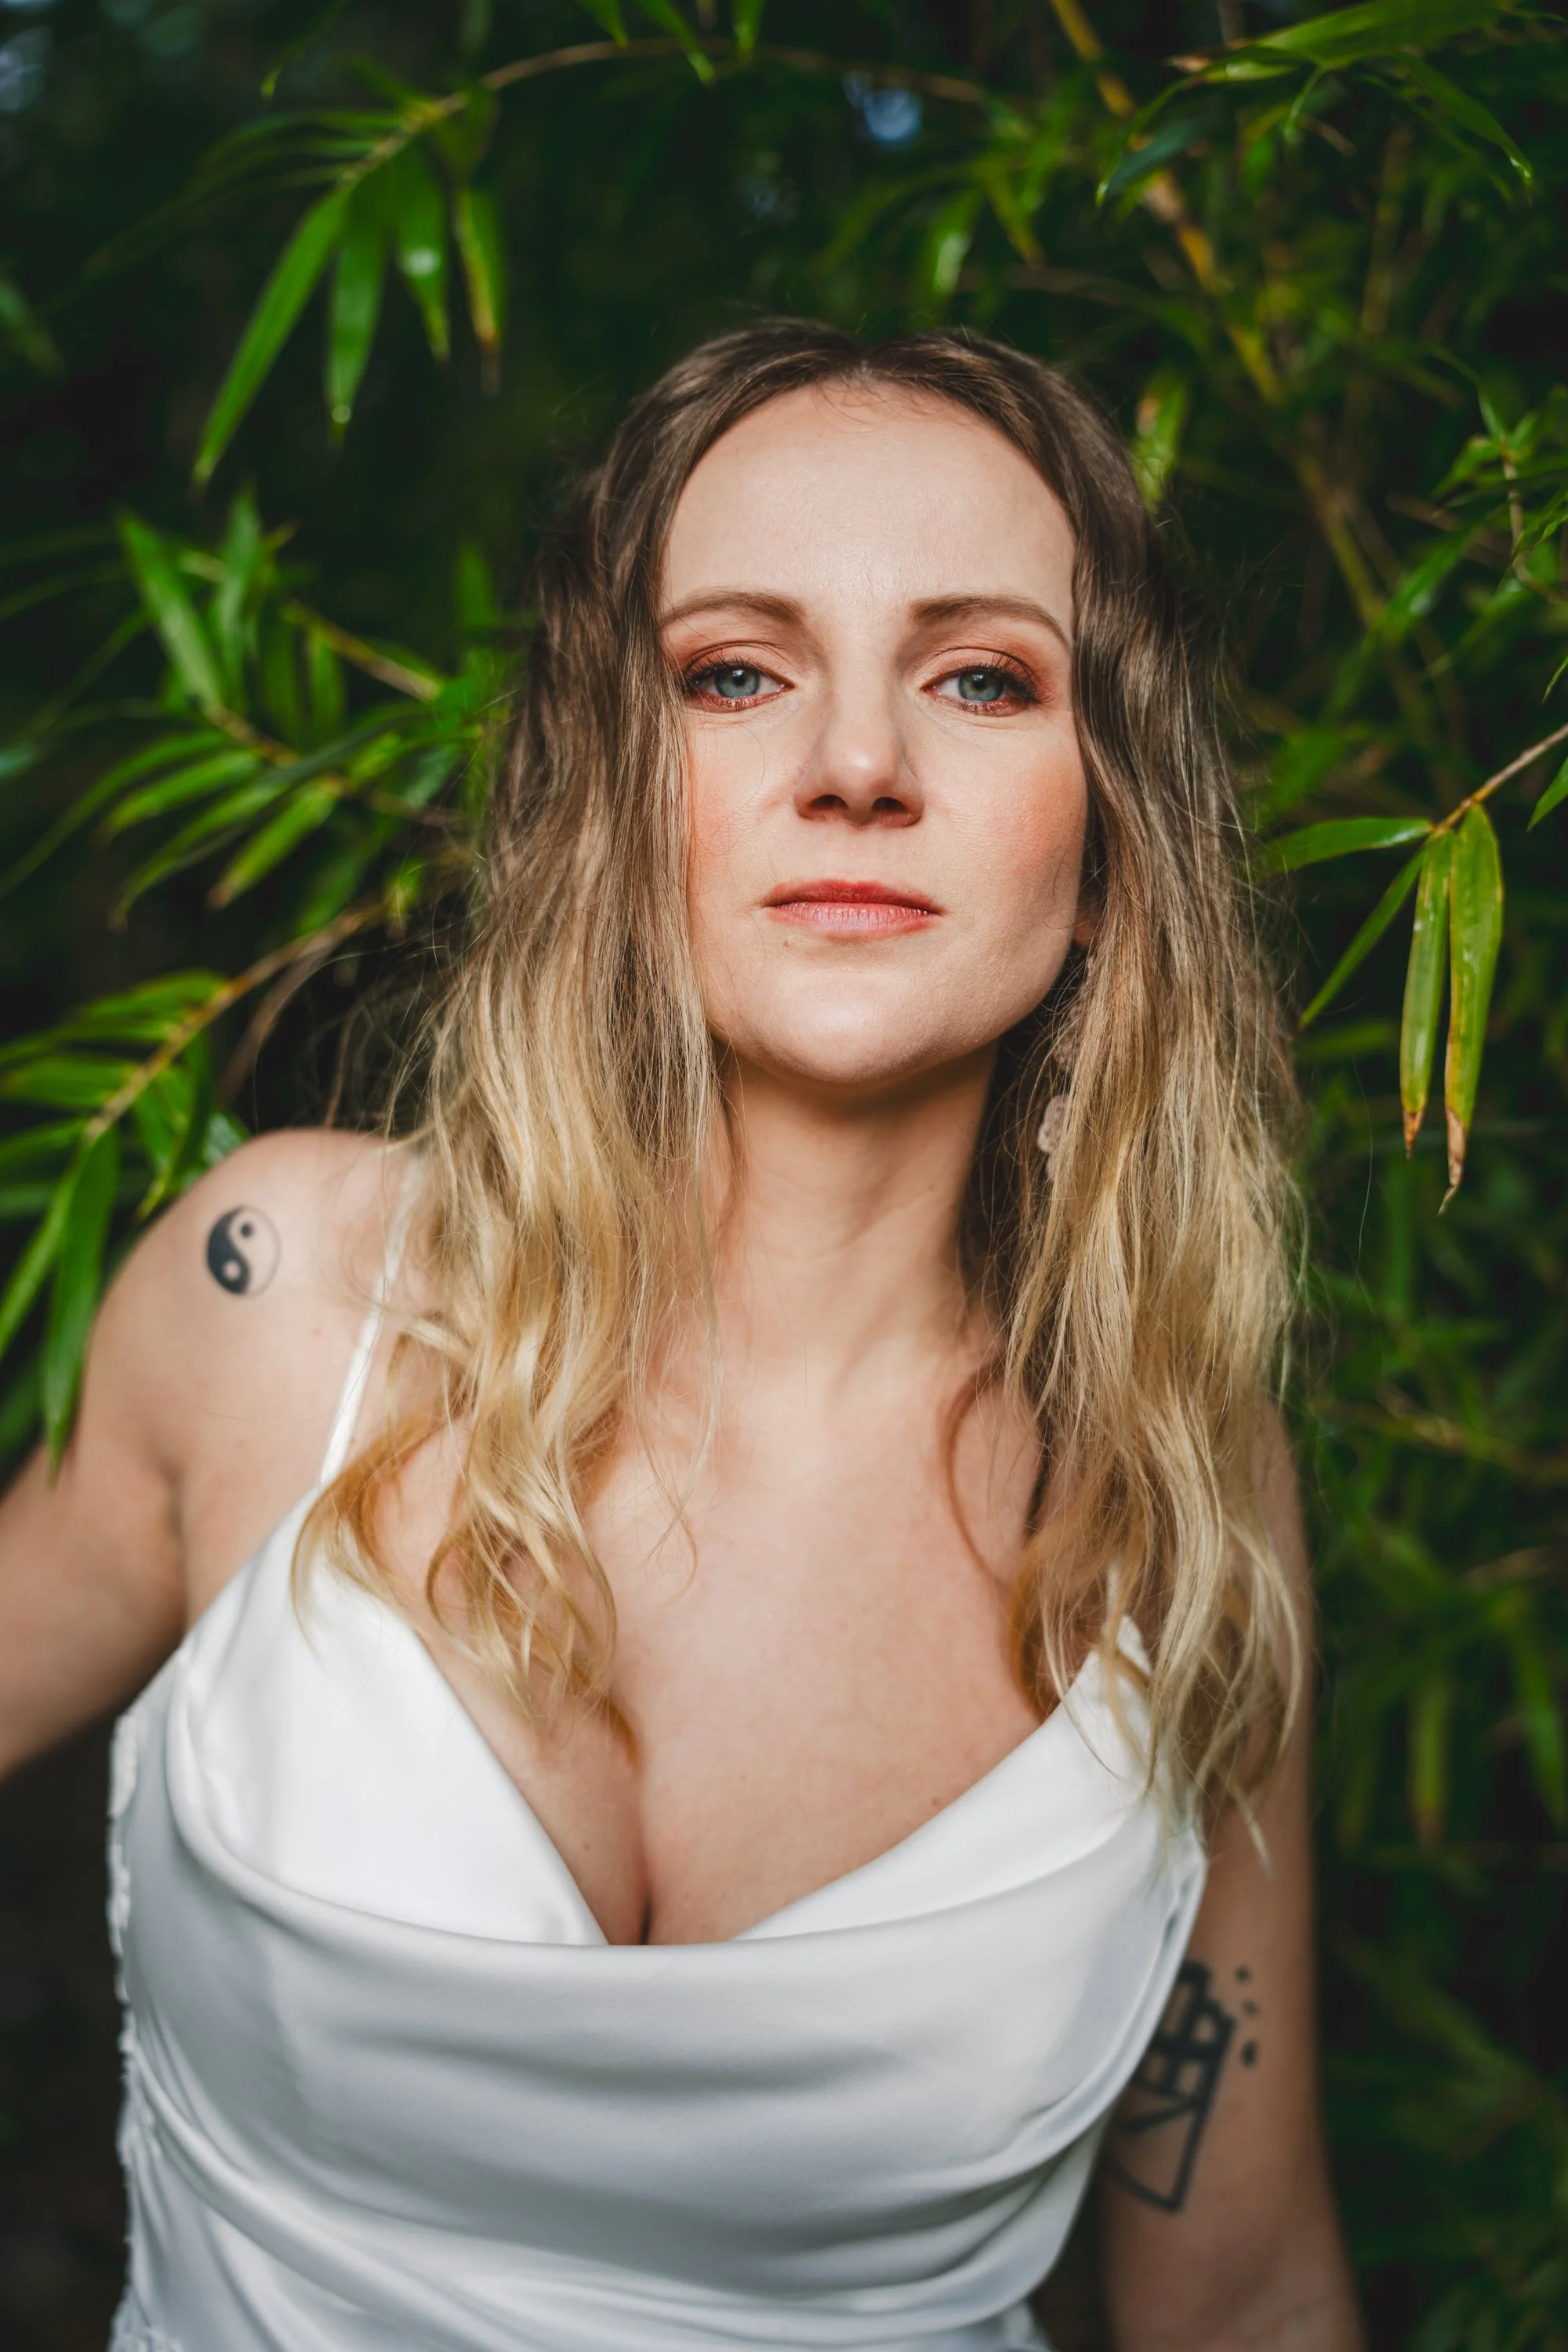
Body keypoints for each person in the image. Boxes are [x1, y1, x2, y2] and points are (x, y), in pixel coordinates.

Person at [0, 321, 1362, 2352]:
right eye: (735, 672)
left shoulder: (1179, 1479)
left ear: (1110, 841)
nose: (856, 764)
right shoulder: (275, 1297)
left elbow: (1238, 2290)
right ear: (616, 799)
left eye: (982, 677)